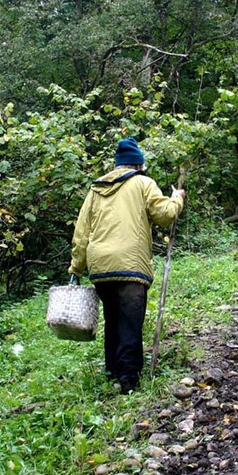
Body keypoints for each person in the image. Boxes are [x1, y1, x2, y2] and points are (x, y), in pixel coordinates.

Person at [68, 137, 185, 393]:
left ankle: (113, 371)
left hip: (101, 268)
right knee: (130, 322)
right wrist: (177, 199)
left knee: (113, 319)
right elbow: (164, 215)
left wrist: (76, 268)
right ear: (139, 165)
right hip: (131, 265)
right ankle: (128, 381)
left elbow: (81, 233)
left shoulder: (96, 189)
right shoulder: (144, 183)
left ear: (118, 165)